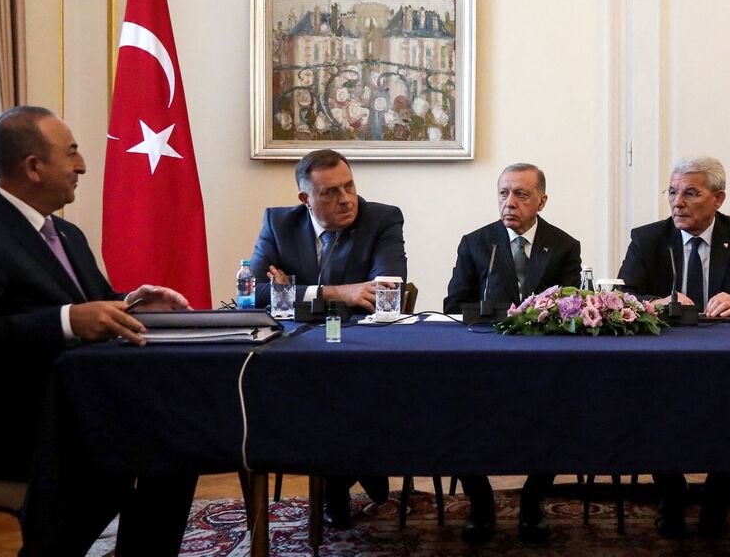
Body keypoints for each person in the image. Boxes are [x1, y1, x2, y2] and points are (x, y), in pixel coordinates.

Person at [0, 106, 195, 556]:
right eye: (71, 152)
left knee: (178, 441)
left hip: (70, 408)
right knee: (127, 449)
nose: (83, 165)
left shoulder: (67, 234)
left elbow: (93, 303)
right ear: (33, 167)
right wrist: (68, 320)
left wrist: (131, 302)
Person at [249, 148, 407, 529]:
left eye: (349, 186)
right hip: (297, 347)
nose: (346, 199)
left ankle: (341, 479)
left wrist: (294, 291)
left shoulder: (382, 218)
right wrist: (339, 293)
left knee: (348, 384)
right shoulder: (278, 223)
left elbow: (385, 290)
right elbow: (255, 293)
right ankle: (355, 470)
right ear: (305, 199)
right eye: (331, 192)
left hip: (360, 346)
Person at [617, 155, 730, 538]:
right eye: (672, 192)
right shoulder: (648, 238)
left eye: (690, 193)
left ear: (718, 199)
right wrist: (652, 304)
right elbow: (623, 295)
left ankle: (718, 496)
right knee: (646, 402)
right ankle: (671, 492)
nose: (677, 202)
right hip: (664, 353)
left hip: (728, 354)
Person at [443, 163, 582, 543]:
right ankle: (481, 502)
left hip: (543, 360)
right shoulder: (476, 243)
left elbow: (572, 305)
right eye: (503, 193)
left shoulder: (565, 245)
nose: (510, 202)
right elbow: (454, 304)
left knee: (560, 413)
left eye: (521, 194)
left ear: (542, 200)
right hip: (484, 358)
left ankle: (533, 501)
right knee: (456, 411)